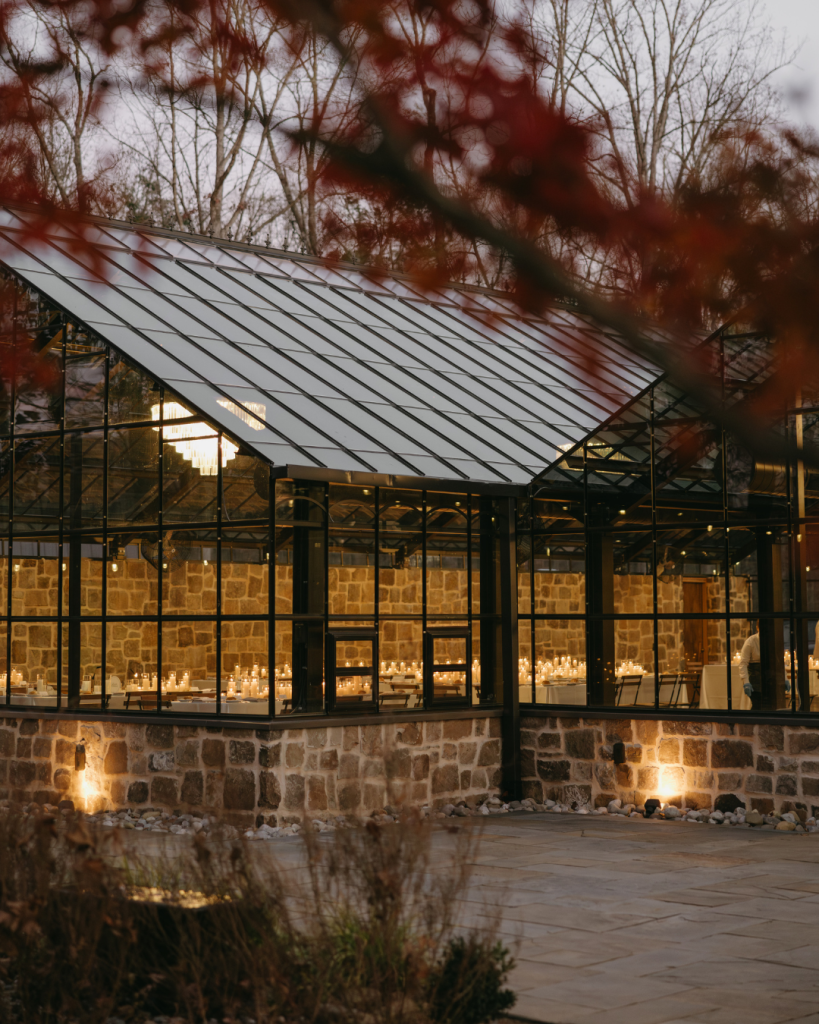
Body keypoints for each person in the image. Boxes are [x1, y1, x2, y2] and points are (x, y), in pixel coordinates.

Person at [739, 622, 762, 710]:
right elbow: (743, 663)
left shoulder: (772, 639)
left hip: (769, 677)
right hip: (755, 677)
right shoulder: (750, 641)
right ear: (757, 628)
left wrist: (784, 678)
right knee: (757, 705)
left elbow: (778, 660)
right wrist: (746, 682)